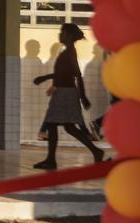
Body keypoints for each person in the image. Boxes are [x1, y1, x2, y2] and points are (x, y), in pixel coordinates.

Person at [34, 23, 106, 168]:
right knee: (67, 126)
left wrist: (83, 96)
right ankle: (95, 151)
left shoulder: (69, 53)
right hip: (64, 91)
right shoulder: (68, 51)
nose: (59, 35)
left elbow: (76, 75)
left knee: (55, 124)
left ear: (68, 35)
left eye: (62, 32)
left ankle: (51, 160)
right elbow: (67, 74)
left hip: (65, 93)